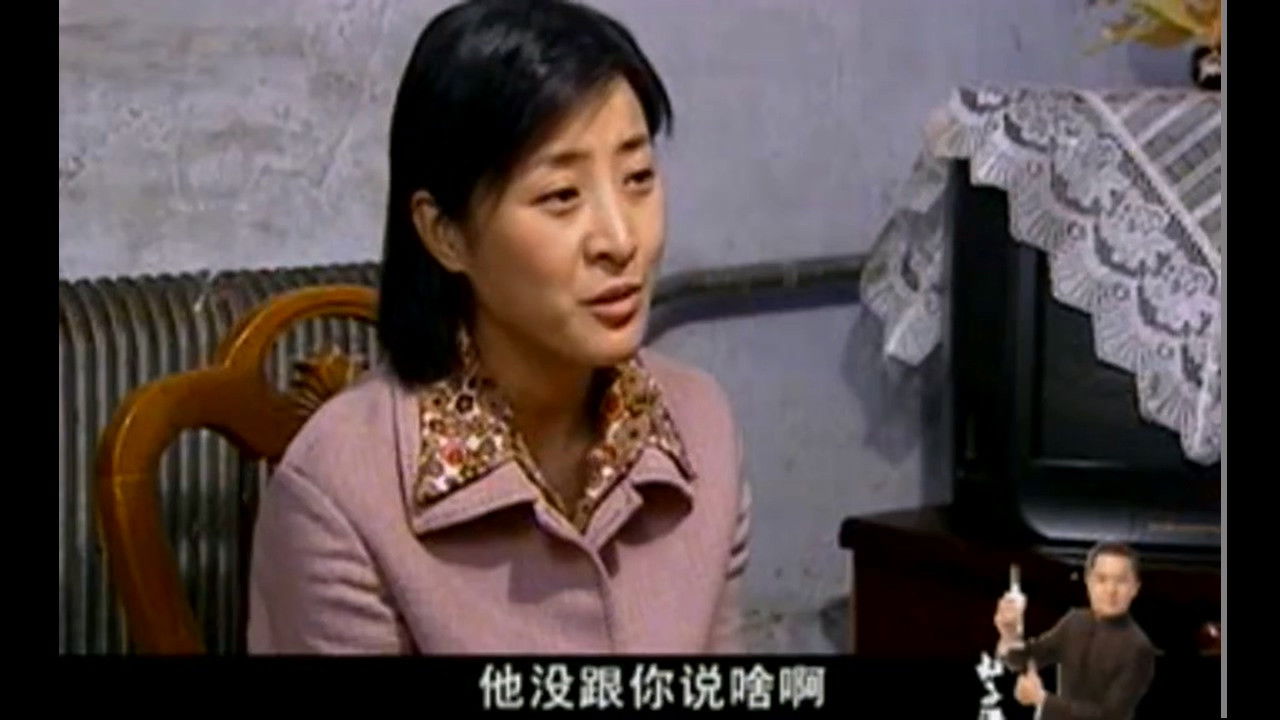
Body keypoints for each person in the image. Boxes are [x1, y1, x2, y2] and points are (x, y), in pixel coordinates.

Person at [246, 0, 750, 654]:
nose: (621, 240)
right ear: (445, 234)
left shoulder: (702, 426)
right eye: (561, 196)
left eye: (638, 178)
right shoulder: (340, 492)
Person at [993, 542, 1157, 720]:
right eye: (1102, 579)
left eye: (1121, 581)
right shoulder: (1075, 621)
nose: (1111, 590)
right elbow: (1028, 659)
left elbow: (1111, 715)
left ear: (1135, 588)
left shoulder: (1139, 648)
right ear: (1089, 582)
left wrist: (1042, 699)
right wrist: (1009, 633)